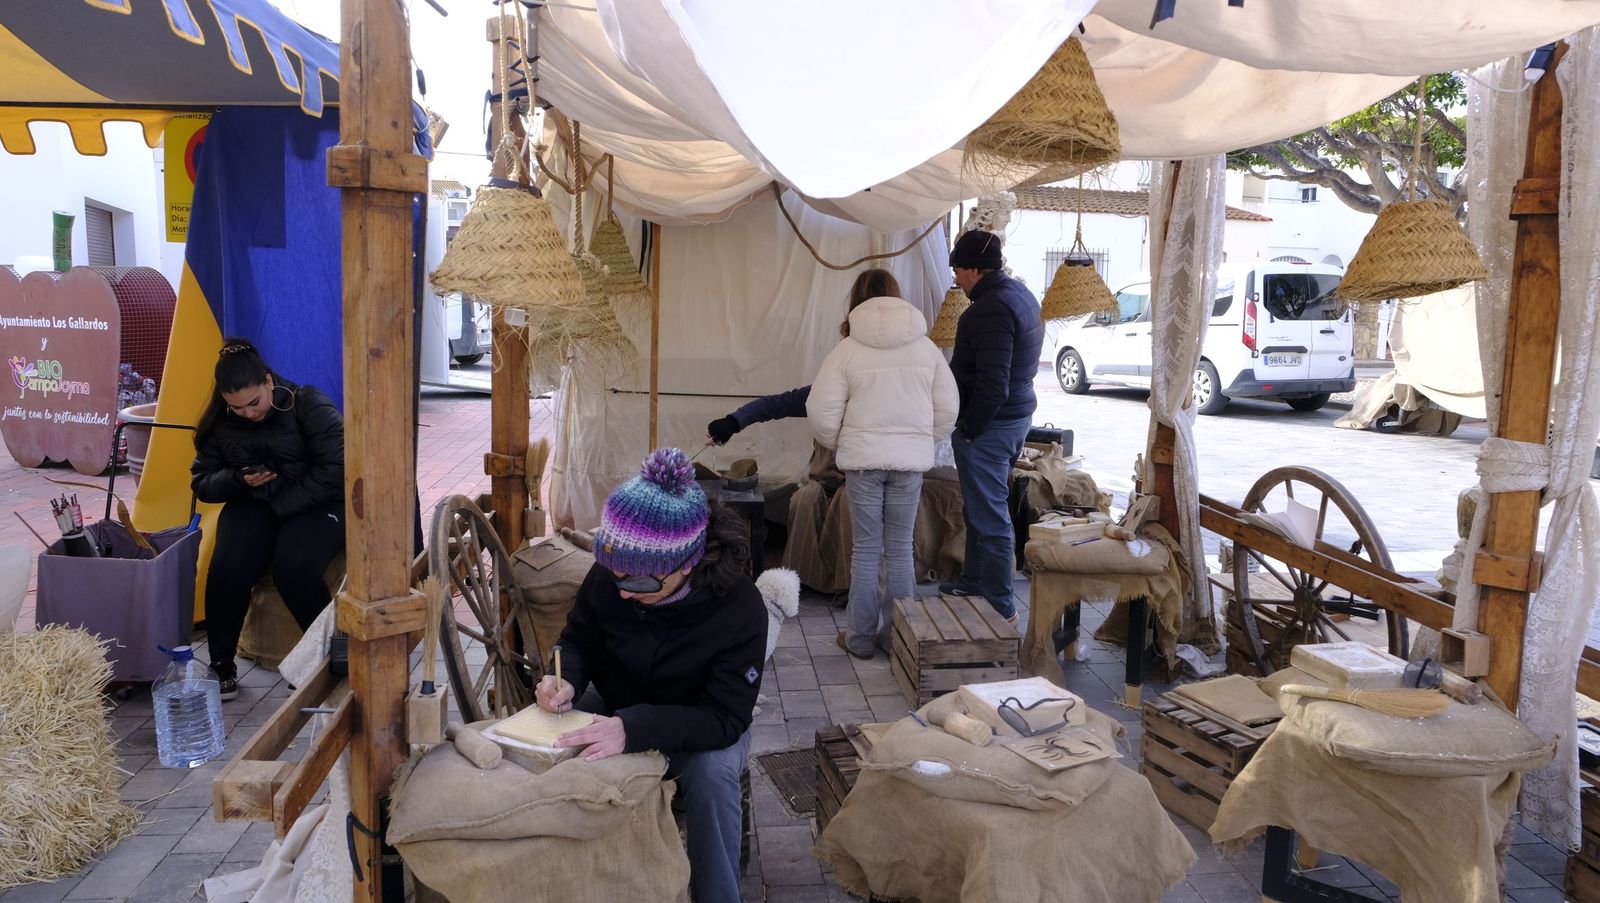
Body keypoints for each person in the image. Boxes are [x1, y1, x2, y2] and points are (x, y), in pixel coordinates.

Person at [537, 448, 765, 903]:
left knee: (714, 775)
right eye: (615, 574)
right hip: (617, 703)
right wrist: (564, 678)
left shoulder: (739, 608)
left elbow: (725, 717)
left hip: (698, 725)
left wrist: (633, 728)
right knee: (548, 737)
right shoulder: (614, 576)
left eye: (638, 583)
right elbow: (579, 639)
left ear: (685, 564)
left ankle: (718, 896)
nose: (622, 592)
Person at [807, 269, 958, 659]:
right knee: (901, 551)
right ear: (898, 296)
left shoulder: (846, 351)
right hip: (909, 466)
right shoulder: (926, 349)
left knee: (866, 550)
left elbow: (820, 412)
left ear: (856, 300)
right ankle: (898, 639)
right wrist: (922, 441)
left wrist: (842, 443)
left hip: (863, 465)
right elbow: (948, 408)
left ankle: (858, 639)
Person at [191, 339, 345, 701]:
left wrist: (281, 506)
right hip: (255, 502)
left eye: (254, 402)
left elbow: (336, 470)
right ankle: (221, 666)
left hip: (317, 501)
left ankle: (327, 661)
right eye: (237, 407)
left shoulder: (308, 403)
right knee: (228, 567)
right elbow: (201, 483)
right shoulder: (219, 422)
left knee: (293, 567)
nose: (248, 413)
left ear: (269, 381)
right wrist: (236, 480)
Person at [942, 230, 1044, 625]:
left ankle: (1002, 605)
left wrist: (969, 427)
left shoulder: (989, 310)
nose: (956, 280)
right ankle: (974, 580)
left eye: (958, 271)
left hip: (992, 425)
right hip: (1016, 417)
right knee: (980, 507)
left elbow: (993, 383)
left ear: (973, 269)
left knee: (990, 517)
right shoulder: (1020, 293)